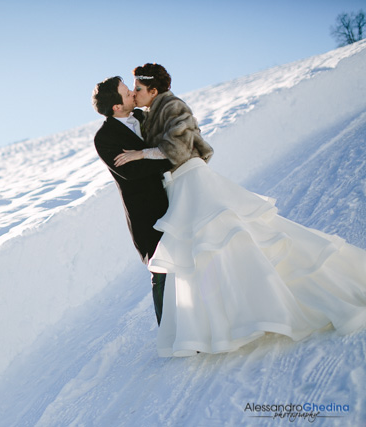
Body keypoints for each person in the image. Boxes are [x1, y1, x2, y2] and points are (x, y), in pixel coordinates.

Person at [116, 63, 366, 357]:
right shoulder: (148, 113)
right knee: (203, 252)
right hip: (178, 185)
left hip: (193, 179)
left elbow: (179, 147)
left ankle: (270, 305)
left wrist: (139, 154)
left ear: (154, 91)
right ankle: (219, 321)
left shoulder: (172, 105)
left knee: (227, 238)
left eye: (138, 89)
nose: (134, 93)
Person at [92, 76, 172, 325]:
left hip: (176, 197)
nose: (133, 95)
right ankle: (169, 332)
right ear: (116, 107)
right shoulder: (104, 138)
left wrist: (144, 155)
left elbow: (173, 143)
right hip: (146, 211)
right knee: (161, 270)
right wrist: (168, 159)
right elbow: (131, 173)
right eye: (127, 93)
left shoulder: (145, 117)